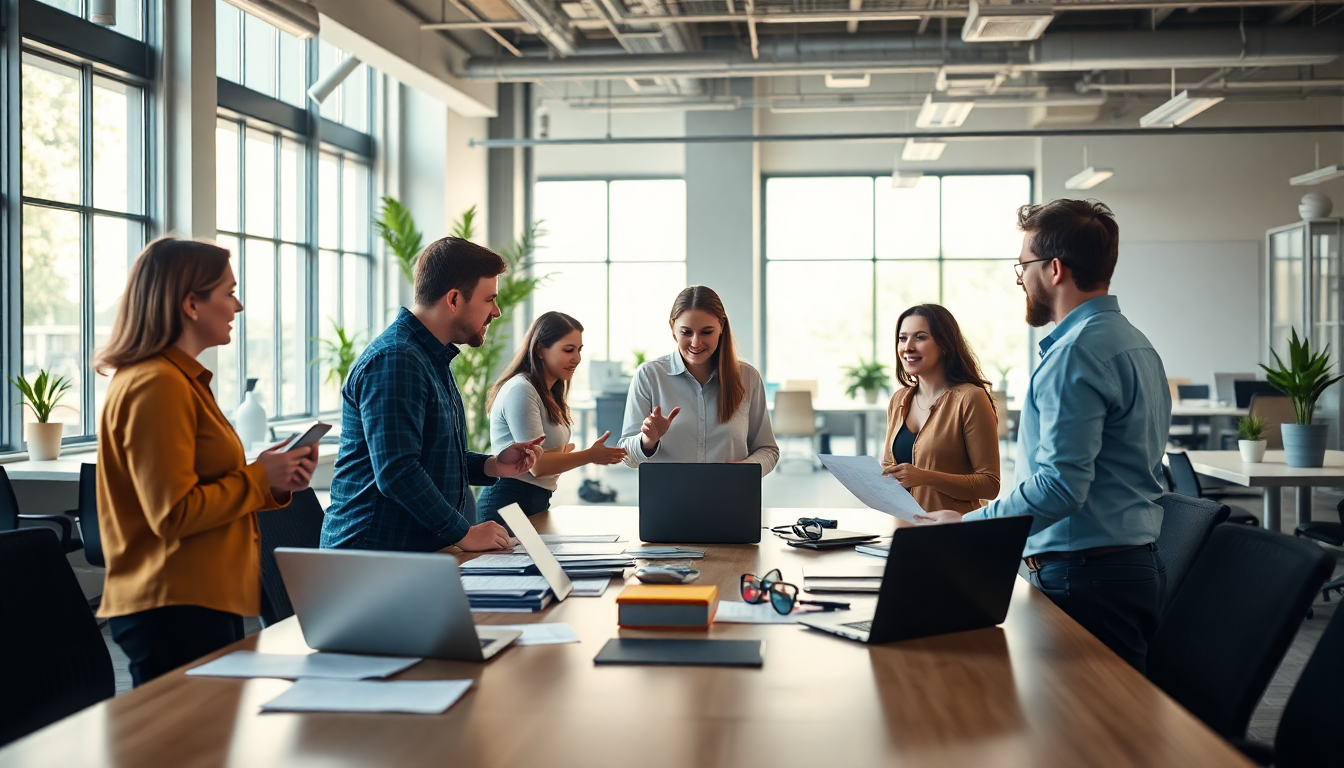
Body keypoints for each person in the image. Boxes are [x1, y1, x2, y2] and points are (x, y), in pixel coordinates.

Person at [916, 199, 1171, 673]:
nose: (1020, 279)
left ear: (1054, 269)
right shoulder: (1137, 344)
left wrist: (969, 526)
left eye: (1023, 265)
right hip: (1125, 569)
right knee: (1113, 733)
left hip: (1084, 577)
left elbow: (1059, 486)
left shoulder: (1076, 354)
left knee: (1081, 734)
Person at [92, 237, 318, 686]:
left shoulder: (182, 379)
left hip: (201, 597)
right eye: (228, 292)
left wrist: (274, 481)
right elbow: (172, 513)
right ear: (190, 304)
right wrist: (259, 476)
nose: (237, 305)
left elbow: (209, 486)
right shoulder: (157, 384)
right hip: (172, 605)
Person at [321, 237, 546, 553]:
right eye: (489, 299)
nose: (496, 311)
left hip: (409, 554)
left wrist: (494, 465)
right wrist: (463, 533)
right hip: (370, 558)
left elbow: (430, 457)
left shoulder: (428, 357)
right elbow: (397, 471)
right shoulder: (397, 359)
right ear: (454, 299)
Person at [476, 311, 626, 527]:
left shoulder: (548, 393)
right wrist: (589, 455)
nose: (577, 358)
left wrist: (559, 454)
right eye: (568, 350)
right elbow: (539, 466)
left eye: (579, 350)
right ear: (540, 350)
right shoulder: (521, 390)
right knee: (536, 562)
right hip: (509, 501)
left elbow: (550, 457)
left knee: (545, 561)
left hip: (535, 499)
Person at [620, 285, 779, 474]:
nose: (696, 343)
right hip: (669, 500)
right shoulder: (649, 376)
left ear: (721, 327)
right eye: (686, 332)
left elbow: (768, 450)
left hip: (730, 498)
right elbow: (626, 455)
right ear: (673, 329)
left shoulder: (748, 377)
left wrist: (746, 470)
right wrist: (647, 441)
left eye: (706, 332)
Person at [881, 304, 1000, 521]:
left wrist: (923, 477)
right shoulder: (899, 399)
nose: (907, 347)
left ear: (944, 344)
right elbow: (889, 466)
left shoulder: (970, 398)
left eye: (920, 337)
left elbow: (990, 485)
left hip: (952, 532)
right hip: (903, 528)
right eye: (902, 338)